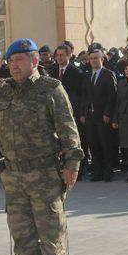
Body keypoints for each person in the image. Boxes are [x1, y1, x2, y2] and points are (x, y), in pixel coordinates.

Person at [0, 38, 83, 255]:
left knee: (50, 232)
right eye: (10, 61)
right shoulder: (1, 92)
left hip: (44, 173)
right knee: (22, 233)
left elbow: (68, 128)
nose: (14, 66)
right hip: (14, 174)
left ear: (35, 61)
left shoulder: (50, 89)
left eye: (20, 60)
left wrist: (72, 164)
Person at [79, 47, 117, 182]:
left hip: (103, 116)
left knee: (105, 144)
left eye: (96, 58)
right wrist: (82, 113)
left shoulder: (108, 74)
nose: (93, 60)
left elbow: (112, 96)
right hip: (89, 116)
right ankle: (97, 171)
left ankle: (108, 172)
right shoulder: (87, 75)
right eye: (91, 58)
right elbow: (84, 96)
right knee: (93, 145)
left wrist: (108, 113)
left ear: (102, 59)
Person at [50, 45, 86, 180]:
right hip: (55, 112)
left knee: (74, 141)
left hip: (72, 112)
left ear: (69, 55)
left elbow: (81, 94)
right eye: (57, 55)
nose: (59, 58)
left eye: (62, 55)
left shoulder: (76, 72)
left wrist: (79, 112)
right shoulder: (52, 71)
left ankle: (79, 170)